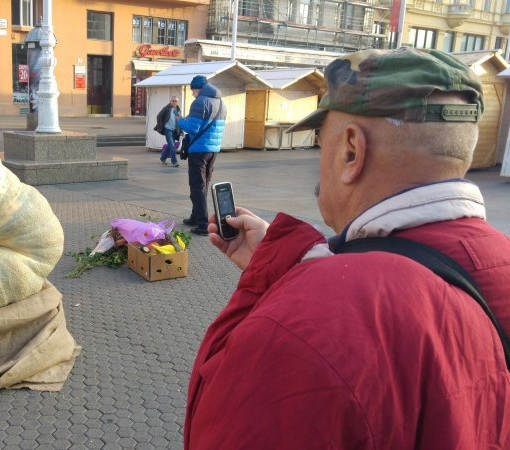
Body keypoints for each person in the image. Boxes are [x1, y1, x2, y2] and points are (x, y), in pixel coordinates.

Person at [184, 47, 510, 449]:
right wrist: (287, 270)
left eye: (322, 141)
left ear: (351, 151)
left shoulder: (302, 327)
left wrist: (297, 290)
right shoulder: (499, 262)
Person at [177, 75, 227, 236]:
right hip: (213, 150)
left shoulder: (200, 102)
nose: (192, 94)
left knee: (197, 186)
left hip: (199, 151)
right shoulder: (220, 102)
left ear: (197, 88)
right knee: (203, 185)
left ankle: (203, 224)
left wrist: (180, 120)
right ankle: (195, 217)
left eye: (192, 91)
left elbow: (193, 128)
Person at [155, 95, 181, 167]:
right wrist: (161, 126)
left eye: (176, 101)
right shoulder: (166, 108)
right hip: (168, 130)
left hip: (174, 130)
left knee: (170, 146)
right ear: (170, 101)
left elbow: (179, 121)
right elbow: (159, 116)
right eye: (173, 101)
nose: (174, 102)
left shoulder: (177, 110)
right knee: (172, 146)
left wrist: (181, 132)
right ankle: (174, 161)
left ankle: (163, 158)